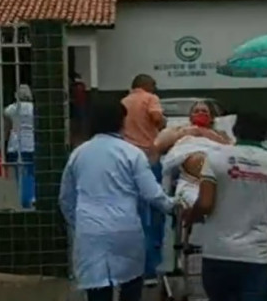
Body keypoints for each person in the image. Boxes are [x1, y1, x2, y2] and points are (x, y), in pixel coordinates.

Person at [58, 100, 178, 301]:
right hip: (125, 227)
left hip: (90, 230)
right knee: (130, 284)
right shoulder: (132, 153)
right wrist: (175, 206)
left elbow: (65, 198)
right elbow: (152, 194)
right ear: (122, 122)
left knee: (97, 288)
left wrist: (80, 222)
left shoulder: (78, 154)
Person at [184, 111, 267, 301]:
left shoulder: (215, 158)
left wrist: (191, 217)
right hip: (256, 258)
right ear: (265, 135)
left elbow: (205, 203)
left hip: (218, 254)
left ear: (235, 131)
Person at [121, 74, 166, 285]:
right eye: (154, 85)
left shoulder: (123, 102)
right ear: (146, 85)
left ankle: (132, 266)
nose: (155, 88)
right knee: (155, 207)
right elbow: (156, 118)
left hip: (126, 160)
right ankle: (151, 264)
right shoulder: (150, 98)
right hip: (148, 158)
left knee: (135, 211)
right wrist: (163, 123)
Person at [2, 84, 35, 209]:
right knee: (32, 172)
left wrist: (1, 146)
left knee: (21, 174)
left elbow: (7, 129)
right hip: (32, 143)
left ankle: (25, 200)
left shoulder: (11, 109)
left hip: (16, 145)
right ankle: (33, 196)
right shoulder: (34, 109)